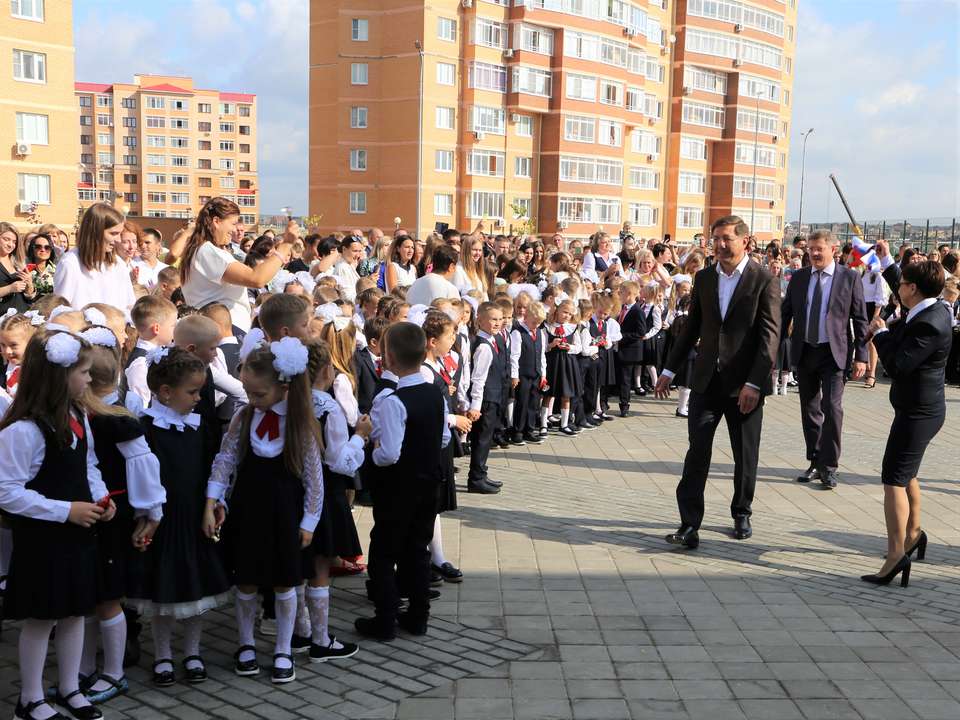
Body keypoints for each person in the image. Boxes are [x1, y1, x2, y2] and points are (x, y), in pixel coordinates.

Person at [0, 330, 113, 720]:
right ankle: (29, 698)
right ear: (57, 376)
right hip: (44, 539)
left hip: (78, 536)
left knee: (75, 611)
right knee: (41, 617)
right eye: (83, 372)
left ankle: (69, 687)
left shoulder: (78, 414)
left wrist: (101, 498)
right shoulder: (24, 430)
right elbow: (6, 491)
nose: (89, 379)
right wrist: (65, 510)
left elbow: (89, 464)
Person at [655, 215, 780, 548]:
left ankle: (742, 511)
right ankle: (689, 523)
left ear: (745, 241)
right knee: (697, 452)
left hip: (745, 386)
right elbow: (693, 326)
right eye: (716, 239)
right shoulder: (706, 277)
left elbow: (770, 337)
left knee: (745, 452)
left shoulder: (763, 279)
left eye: (727, 239)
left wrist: (755, 383)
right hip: (706, 381)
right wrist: (669, 369)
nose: (721, 245)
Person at [204, 339, 323, 684]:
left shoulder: (300, 423)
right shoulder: (245, 416)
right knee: (247, 578)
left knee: (286, 581)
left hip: (285, 514)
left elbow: (315, 477)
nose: (251, 401)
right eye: (249, 394)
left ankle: (284, 647)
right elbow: (225, 458)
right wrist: (213, 498)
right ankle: (245, 643)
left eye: (258, 395)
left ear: (283, 386)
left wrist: (309, 521)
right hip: (249, 510)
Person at [127, 347, 232, 688]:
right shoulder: (146, 428)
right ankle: (162, 656)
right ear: (165, 392)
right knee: (164, 594)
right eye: (192, 392)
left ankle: (192, 652)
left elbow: (210, 468)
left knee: (195, 594)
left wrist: (215, 504)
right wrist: (145, 515)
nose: (198, 398)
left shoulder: (197, 426)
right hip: (163, 522)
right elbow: (141, 477)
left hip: (194, 520)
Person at [81, 329, 165, 705]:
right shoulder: (80, 415)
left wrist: (151, 511)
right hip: (86, 514)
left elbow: (144, 465)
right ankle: (81, 670)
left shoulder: (119, 421)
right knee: (88, 596)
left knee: (108, 595)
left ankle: (113, 672)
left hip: (114, 514)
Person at [355, 322, 450, 640]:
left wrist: (373, 447)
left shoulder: (394, 401)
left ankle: (385, 621)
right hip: (428, 483)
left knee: (384, 551)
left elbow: (390, 454)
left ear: (389, 359)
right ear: (424, 353)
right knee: (418, 549)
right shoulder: (435, 394)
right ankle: (418, 616)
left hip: (398, 488)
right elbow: (444, 437)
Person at [862, 260, 951, 587]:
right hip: (920, 409)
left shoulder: (929, 322)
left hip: (919, 413)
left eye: (902, 285)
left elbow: (898, 366)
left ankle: (895, 553)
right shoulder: (933, 306)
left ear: (913, 289)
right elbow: (905, 281)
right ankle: (913, 534)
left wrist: (881, 335)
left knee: (893, 479)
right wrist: (885, 262)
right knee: (907, 473)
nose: (897, 289)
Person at [781, 230, 869, 489]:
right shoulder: (798, 278)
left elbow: (860, 320)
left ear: (834, 249)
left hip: (834, 353)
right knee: (809, 409)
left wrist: (862, 356)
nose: (814, 253)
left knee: (832, 408)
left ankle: (830, 466)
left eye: (819, 248)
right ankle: (815, 460)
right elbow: (785, 314)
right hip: (805, 350)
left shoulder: (849, 278)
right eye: (811, 249)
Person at [180, 198, 294, 333]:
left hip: (220, 328)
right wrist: (286, 245)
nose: (234, 230)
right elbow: (256, 279)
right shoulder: (207, 251)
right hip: (223, 330)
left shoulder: (203, 250)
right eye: (233, 224)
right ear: (216, 222)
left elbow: (253, 275)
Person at [54, 204, 136, 312]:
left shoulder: (118, 264)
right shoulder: (70, 264)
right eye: (113, 233)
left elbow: (129, 306)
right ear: (95, 232)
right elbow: (61, 312)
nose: (118, 240)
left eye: (119, 234)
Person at [466, 302, 505, 494]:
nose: (498, 323)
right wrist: (476, 405)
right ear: (479, 320)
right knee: (481, 439)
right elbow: (478, 379)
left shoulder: (492, 341)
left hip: (492, 396)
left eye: (500, 319)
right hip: (485, 400)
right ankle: (476, 478)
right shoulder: (483, 347)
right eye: (493, 319)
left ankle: (481, 472)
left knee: (486, 438)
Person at [0, 222, 35, 313]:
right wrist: (9, 288)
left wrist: (29, 284)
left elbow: (29, 295)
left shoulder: (18, 262)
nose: (10, 245)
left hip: (22, 316)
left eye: (14, 242)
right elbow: (12, 288)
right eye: (6, 239)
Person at [26, 232, 57, 299]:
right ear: (32, 249)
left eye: (47, 247)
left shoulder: (57, 270)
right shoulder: (26, 270)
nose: (43, 250)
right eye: (38, 247)